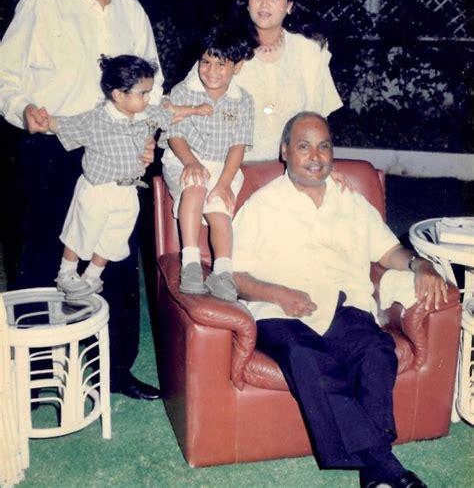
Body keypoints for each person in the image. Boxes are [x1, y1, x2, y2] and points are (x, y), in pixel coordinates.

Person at [232, 112, 448, 488]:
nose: (315, 156)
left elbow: (387, 251)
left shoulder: (351, 201)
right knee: (306, 356)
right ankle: (383, 463)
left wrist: (420, 264)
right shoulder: (260, 207)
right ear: (285, 152)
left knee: (376, 351)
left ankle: (375, 475)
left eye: (323, 146)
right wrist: (276, 293)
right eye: (303, 146)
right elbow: (232, 274)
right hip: (278, 312)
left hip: (342, 305)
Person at [0, 0, 164, 400]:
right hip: (52, 148)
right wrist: (23, 107)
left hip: (117, 150)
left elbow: (152, 90)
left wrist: (151, 133)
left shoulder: (133, 12)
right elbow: (4, 74)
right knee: (45, 255)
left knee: (113, 253)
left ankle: (115, 369)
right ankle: (37, 371)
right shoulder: (41, 4)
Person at [33, 54, 212, 301]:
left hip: (128, 190)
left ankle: (93, 275)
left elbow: (169, 114)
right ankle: (66, 272)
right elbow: (62, 124)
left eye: (149, 92)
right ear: (118, 95)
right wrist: (43, 120)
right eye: (143, 93)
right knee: (83, 230)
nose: (149, 98)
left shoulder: (145, 114)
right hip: (98, 189)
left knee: (115, 236)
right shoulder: (95, 120)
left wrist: (195, 110)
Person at [186, 0, 343, 163]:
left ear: (289, 6)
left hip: (293, 173)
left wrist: (326, 166)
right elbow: (185, 102)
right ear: (247, 4)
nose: (264, 3)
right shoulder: (225, 47)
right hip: (228, 171)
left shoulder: (309, 51)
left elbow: (318, 125)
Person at [160, 24, 256, 301]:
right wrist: (190, 162)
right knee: (196, 185)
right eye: (206, 62)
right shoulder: (183, 91)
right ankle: (190, 263)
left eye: (220, 65)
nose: (211, 71)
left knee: (219, 209)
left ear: (237, 67)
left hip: (224, 166)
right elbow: (174, 135)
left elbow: (238, 145)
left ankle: (223, 271)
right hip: (183, 158)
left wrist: (225, 183)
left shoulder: (243, 100)